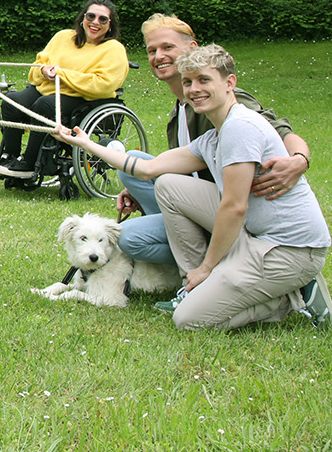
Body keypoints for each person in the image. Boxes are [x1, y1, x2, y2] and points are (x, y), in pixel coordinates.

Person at [56, 44, 332, 331]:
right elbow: (149, 168)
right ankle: (196, 285)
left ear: (230, 83)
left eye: (204, 80)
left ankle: (291, 299)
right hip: (255, 236)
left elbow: (235, 207)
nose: (193, 89)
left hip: (290, 249)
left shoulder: (240, 128)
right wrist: (86, 143)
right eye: (187, 82)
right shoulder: (214, 136)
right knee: (168, 184)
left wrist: (207, 267)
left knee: (189, 320)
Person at [116, 14, 312, 266]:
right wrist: (139, 191)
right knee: (134, 166)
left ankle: (213, 259)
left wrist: (299, 159)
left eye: (167, 47)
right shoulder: (180, 111)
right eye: (151, 50)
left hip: (233, 205)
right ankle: (188, 240)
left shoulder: (224, 99)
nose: (158, 56)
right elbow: (184, 170)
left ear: (191, 49)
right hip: (201, 198)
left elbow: (279, 130)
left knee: (131, 237)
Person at [0, 0, 129, 187]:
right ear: (83, 18)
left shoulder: (114, 49)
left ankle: (29, 162)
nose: (95, 22)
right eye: (91, 16)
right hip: (47, 89)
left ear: (110, 25)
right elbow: (36, 69)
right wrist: (43, 71)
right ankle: (9, 156)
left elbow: (104, 84)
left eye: (103, 19)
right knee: (11, 102)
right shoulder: (63, 37)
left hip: (82, 98)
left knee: (44, 105)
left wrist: (62, 74)